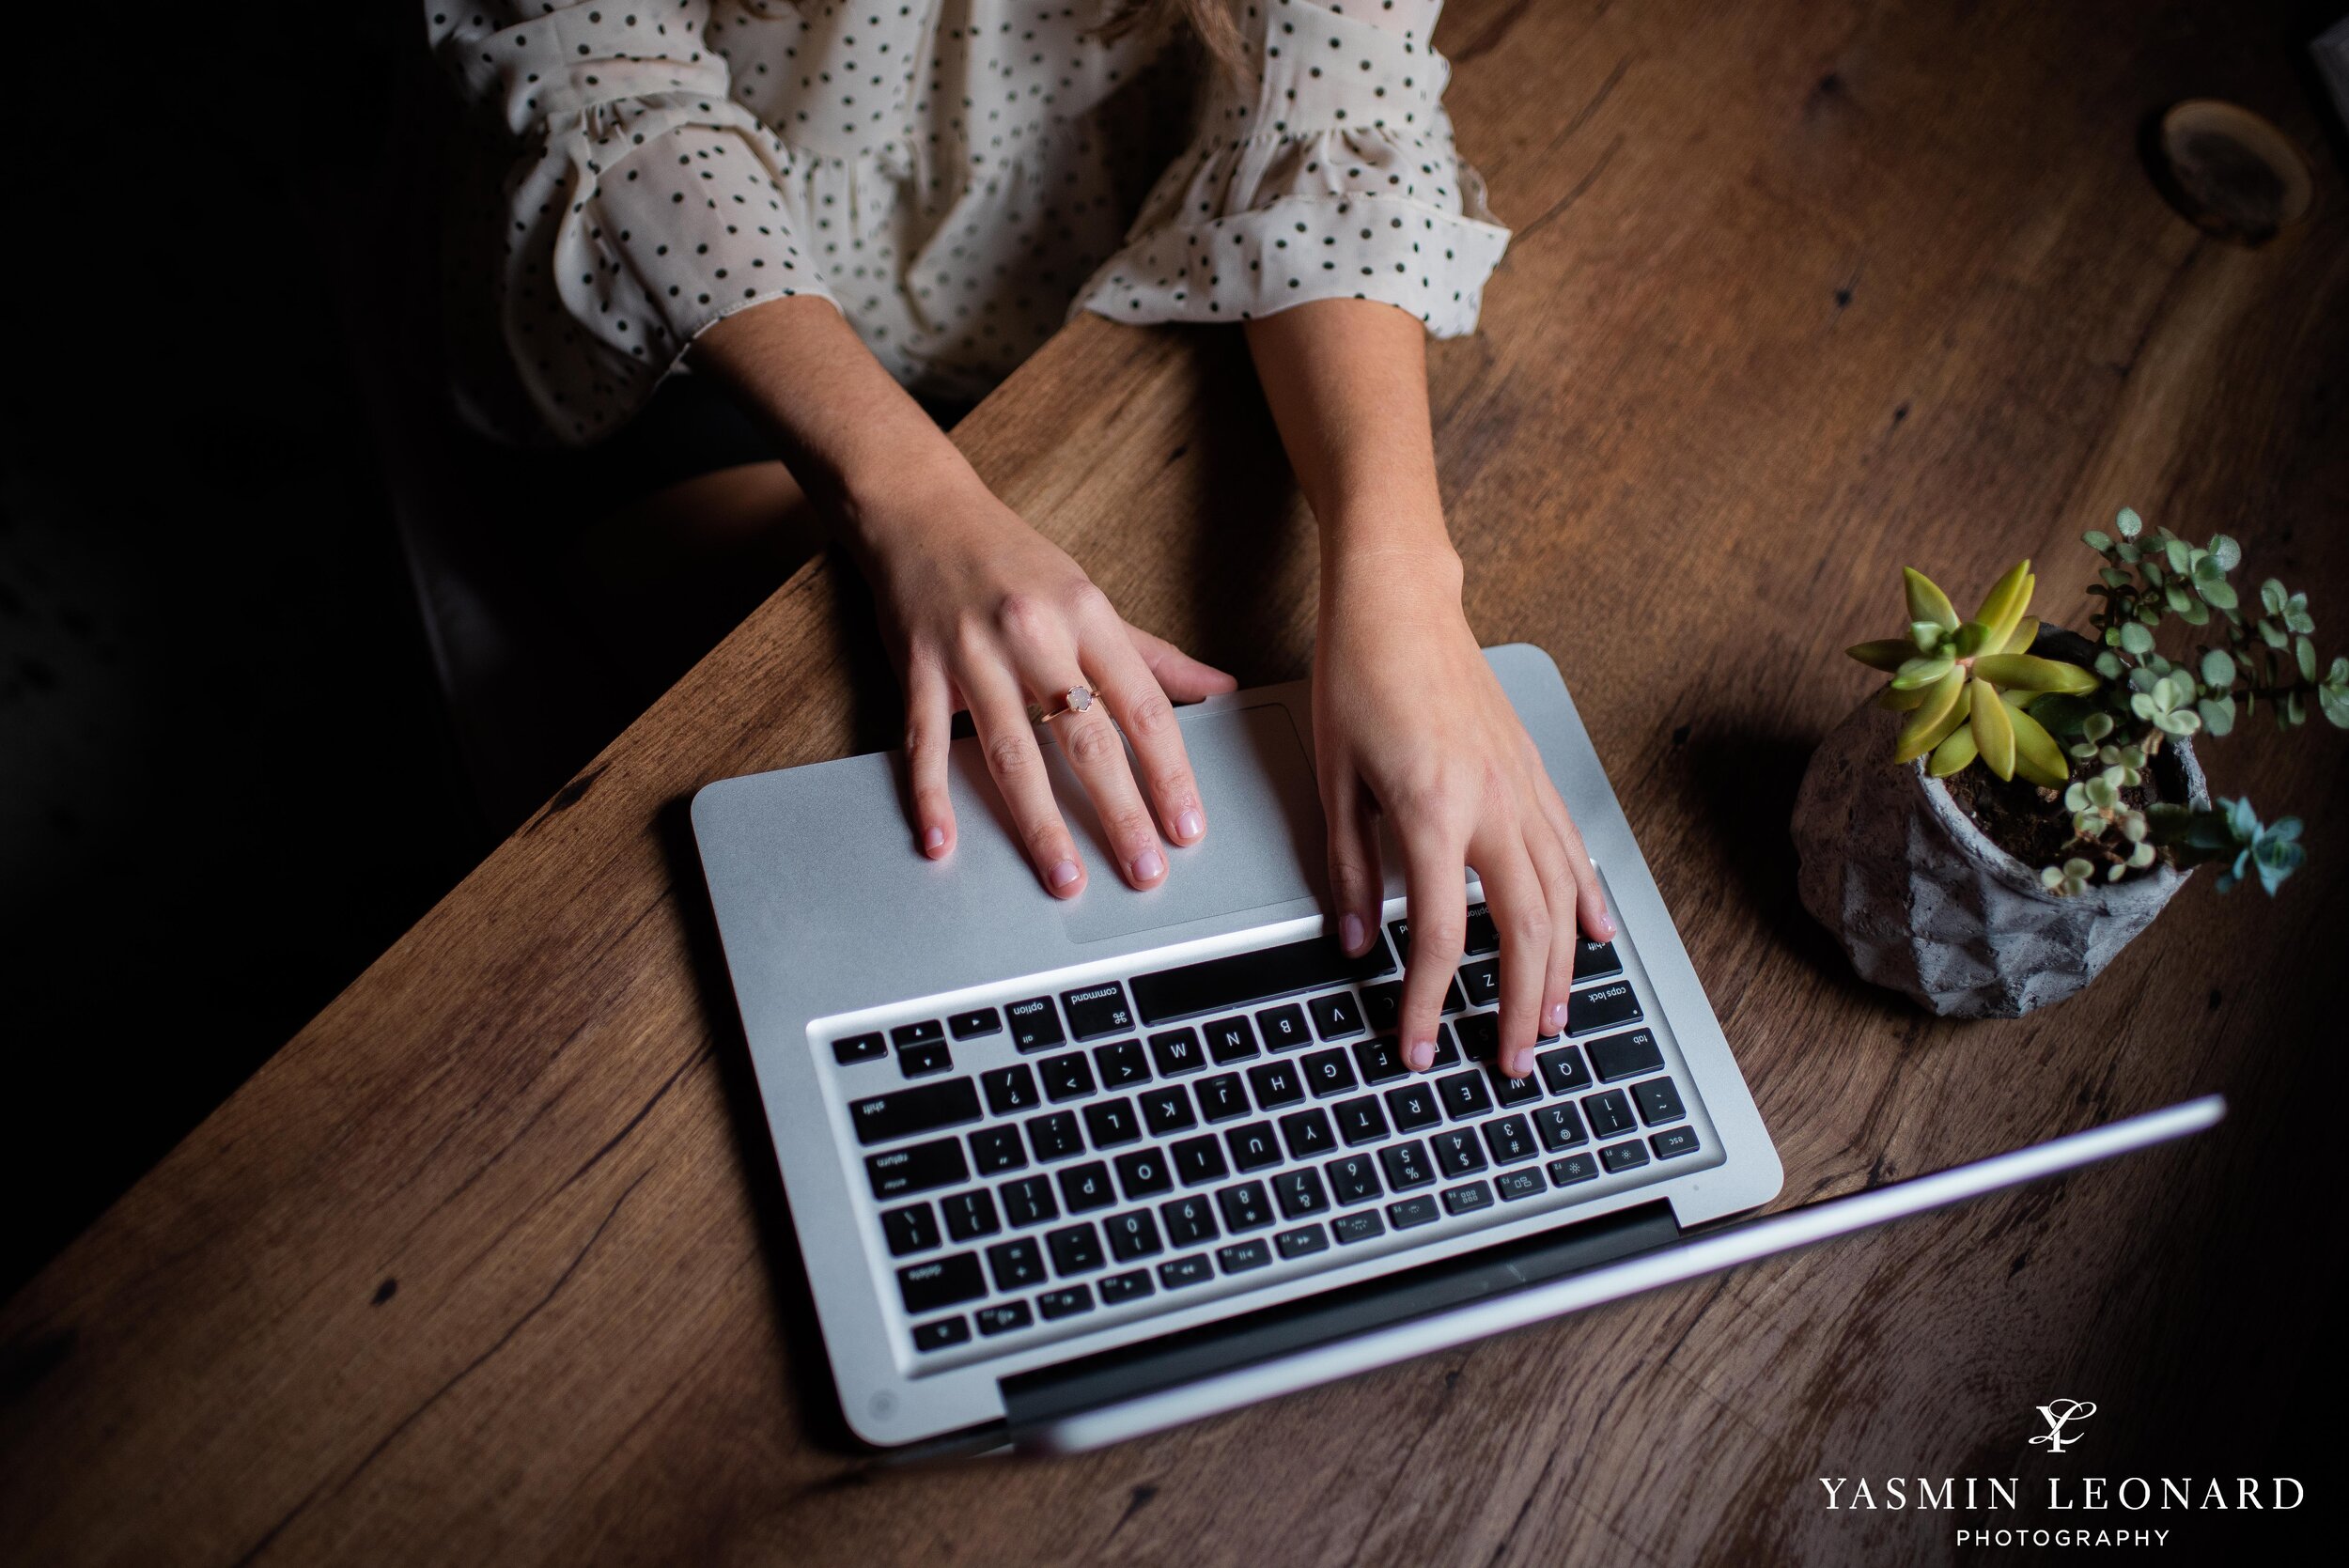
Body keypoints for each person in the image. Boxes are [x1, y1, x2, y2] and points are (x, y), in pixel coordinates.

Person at [426, 0, 1615, 1079]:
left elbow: (1337, 102)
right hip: (703, 335)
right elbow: (600, 89)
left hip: (1098, 281)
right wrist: (911, 501)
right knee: (874, 841)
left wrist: (1403, 575)